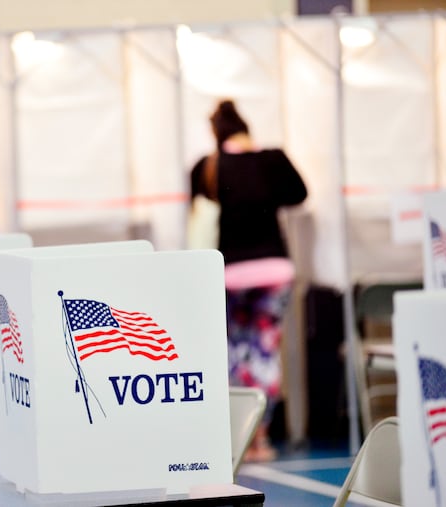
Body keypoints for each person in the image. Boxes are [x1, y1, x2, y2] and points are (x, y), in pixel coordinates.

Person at [190, 99, 307, 462]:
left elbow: (198, 207)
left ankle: (237, 439)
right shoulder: (273, 160)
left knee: (232, 353)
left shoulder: (208, 167)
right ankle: (261, 437)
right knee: (264, 352)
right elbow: (299, 194)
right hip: (273, 271)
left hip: (230, 274)